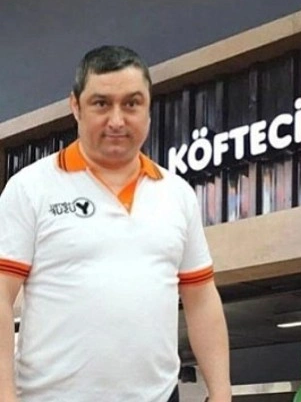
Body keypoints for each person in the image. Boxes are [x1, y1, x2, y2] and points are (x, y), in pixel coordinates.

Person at [0, 46, 232, 402]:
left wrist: (221, 393)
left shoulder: (177, 194)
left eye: (131, 104)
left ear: (148, 108)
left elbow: (201, 299)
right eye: (101, 104)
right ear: (75, 106)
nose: (117, 121)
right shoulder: (31, 188)